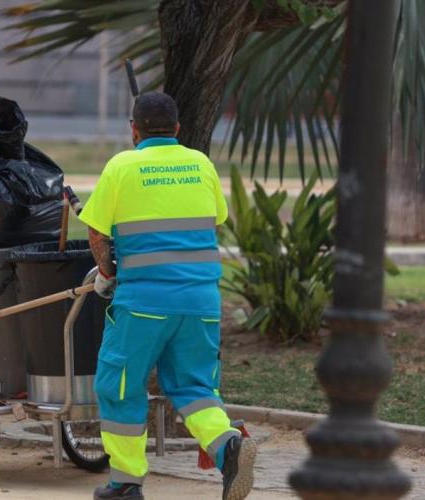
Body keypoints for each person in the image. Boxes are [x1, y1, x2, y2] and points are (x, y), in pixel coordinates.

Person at [78, 91, 256, 500]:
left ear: (133, 130)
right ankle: (228, 446)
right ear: (177, 129)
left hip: (144, 306)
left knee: (119, 386)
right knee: (195, 388)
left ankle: (125, 483)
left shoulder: (122, 166)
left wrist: (106, 273)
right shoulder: (200, 163)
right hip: (201, 303)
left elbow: (96, 230)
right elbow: (216, 218)